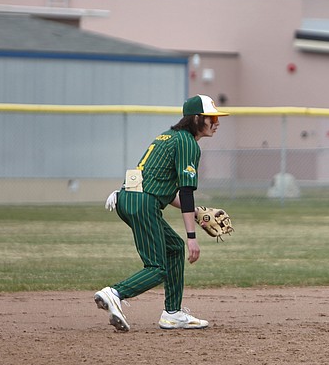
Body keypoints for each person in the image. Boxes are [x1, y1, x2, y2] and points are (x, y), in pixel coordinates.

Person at [94, 94, 229, 331]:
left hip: (130, 198)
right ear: (197, 118)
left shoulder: (169, 136)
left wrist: (196, 213)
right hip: (142, 202)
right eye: (212, 117)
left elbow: (162, 188)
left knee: (173, 249)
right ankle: (114, 293)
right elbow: (186, 192)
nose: (216, 122)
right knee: (157, 267)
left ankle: (173, 313)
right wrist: (192, 238)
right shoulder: (188, 143)